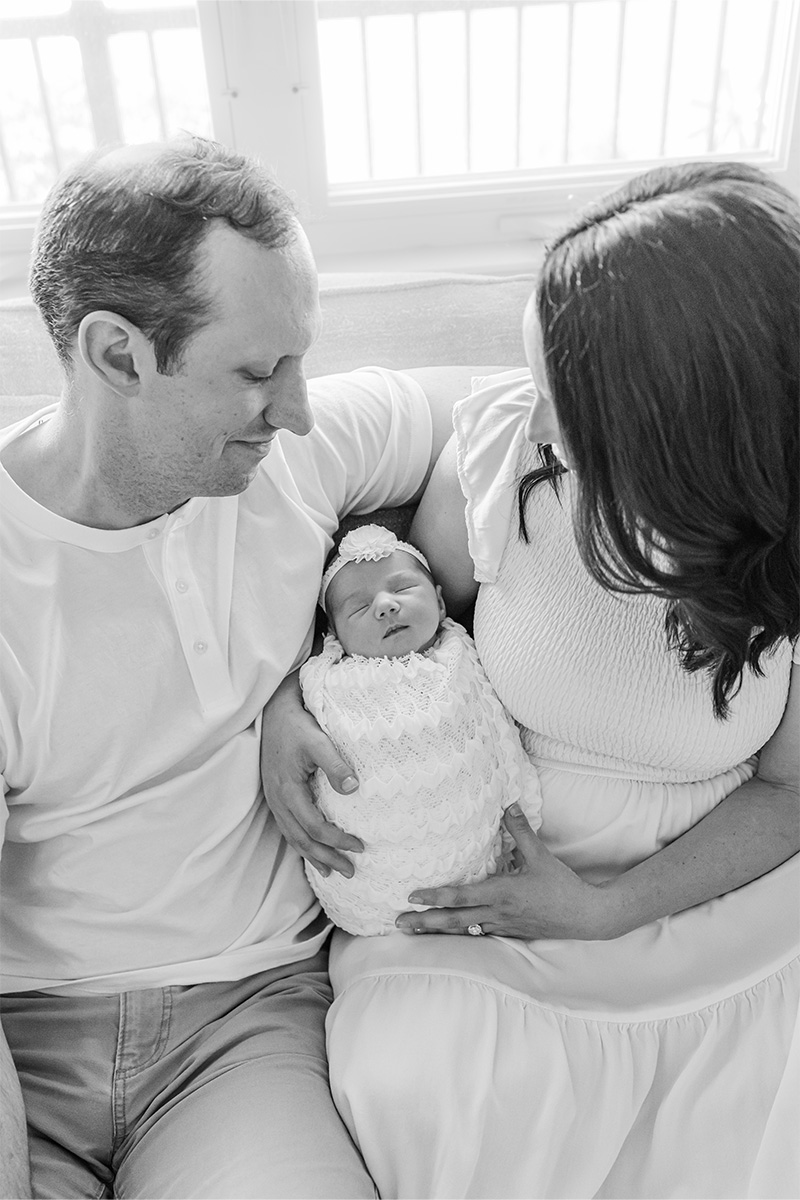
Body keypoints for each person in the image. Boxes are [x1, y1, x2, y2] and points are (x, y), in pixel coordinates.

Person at [262, 161, 800, 1198]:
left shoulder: (777, 555)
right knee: (418, 1083)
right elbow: (398, 621)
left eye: (564, 403)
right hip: (494, 866)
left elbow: (792, 793)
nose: (533, 418)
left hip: (711, 884)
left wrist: (606, 910)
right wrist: (290, 699)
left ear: (671, 429)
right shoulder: (510, 451)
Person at [0, 135, 484, 1199]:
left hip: (243, 1028)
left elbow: (503, 408)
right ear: (118, 355)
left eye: (299, 359)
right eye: (259, 373)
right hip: (27, 1044)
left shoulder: (291, 457)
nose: (300, 406)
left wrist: (314, 668)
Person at [299, 523, 542, 936]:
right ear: (334, 637)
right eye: (359, 608)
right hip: (367, 869)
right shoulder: (326, 680)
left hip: (470, 858)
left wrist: (519, 808)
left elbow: (497, 734)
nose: (385, 606)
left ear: (442, 604)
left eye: (404, 589)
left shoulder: (461, 655)